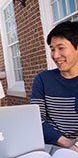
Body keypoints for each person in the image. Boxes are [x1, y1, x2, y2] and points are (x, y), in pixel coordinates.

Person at [30, 21, 78, 151]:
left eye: (61, 48)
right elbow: (36, 120)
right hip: (52, 147)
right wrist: (64, 142)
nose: (56, 56)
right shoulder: (43, 80)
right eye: (52, 49)